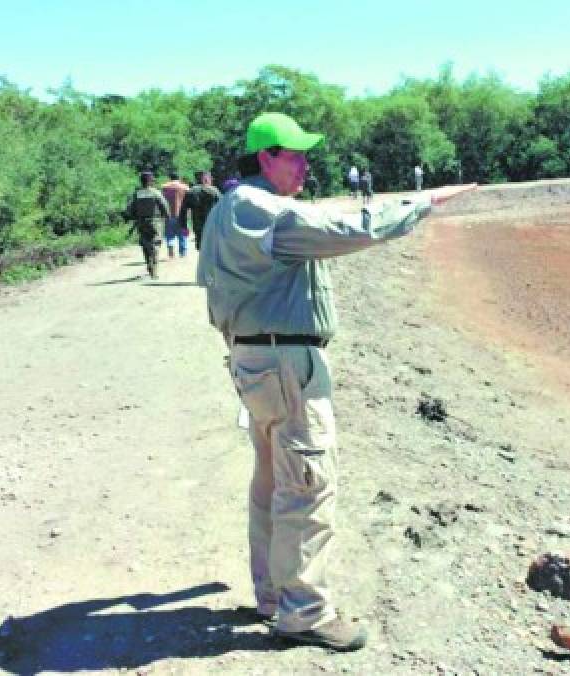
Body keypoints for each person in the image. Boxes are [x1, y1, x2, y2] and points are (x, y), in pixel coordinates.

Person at [195, 112, 472, 652]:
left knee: (275, 481)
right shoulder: (257, 207)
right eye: (294, 153)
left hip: (261, 360)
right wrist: (422, 202)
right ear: (266, 156)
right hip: (284, 364)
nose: (305, 162)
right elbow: (346, 230)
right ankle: (303, 611)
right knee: (306, 483)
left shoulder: (238, 206)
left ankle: (275, 595)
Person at [125, 171, 170, 280]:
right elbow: (164, 206)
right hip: (155, 222)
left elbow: (130, 209)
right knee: (155, 245)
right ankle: (154, 270)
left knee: (145, 244)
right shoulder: (156, 193)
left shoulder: (137, 194)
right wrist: (167, 217)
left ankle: (149, 265)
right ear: (151, 181)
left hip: (141, 222)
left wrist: (134, 217)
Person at [179, 170, 222, 251]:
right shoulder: (215, 191)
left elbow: (183, 211)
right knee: (213, 248)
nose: (212, 179)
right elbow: (223, 209)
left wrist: (184, 226)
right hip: (213, 225)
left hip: (198, 226)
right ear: (205, 178)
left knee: (202, 248)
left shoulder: (191, 192)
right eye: (210, 177)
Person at [160, 172, 190, 258]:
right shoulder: (185, 187)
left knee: (169, 234)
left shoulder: (164, 187)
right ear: (179, 178)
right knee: (182, 234)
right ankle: (183, 253)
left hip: (168, 214)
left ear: (169, 178)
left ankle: (170, 250)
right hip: (182, 214)